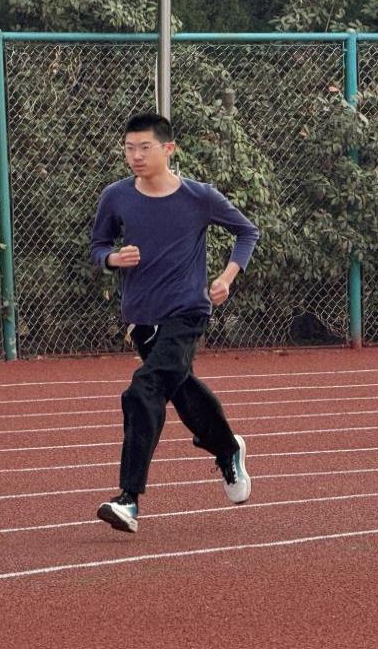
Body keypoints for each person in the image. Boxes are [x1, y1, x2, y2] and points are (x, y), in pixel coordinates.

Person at [89, 113, 260, 533]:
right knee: (182, 392)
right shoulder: (116, 197)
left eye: (144, 147)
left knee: (143, 390)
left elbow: (247, 232)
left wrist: (226, 278)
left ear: (168, 149)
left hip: (187, 313)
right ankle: (227, 448)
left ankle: (128, 499)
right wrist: (113, 258)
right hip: (141, 319)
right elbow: (98, 246)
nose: (135, 156)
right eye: (129, 148)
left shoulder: (199, 197)